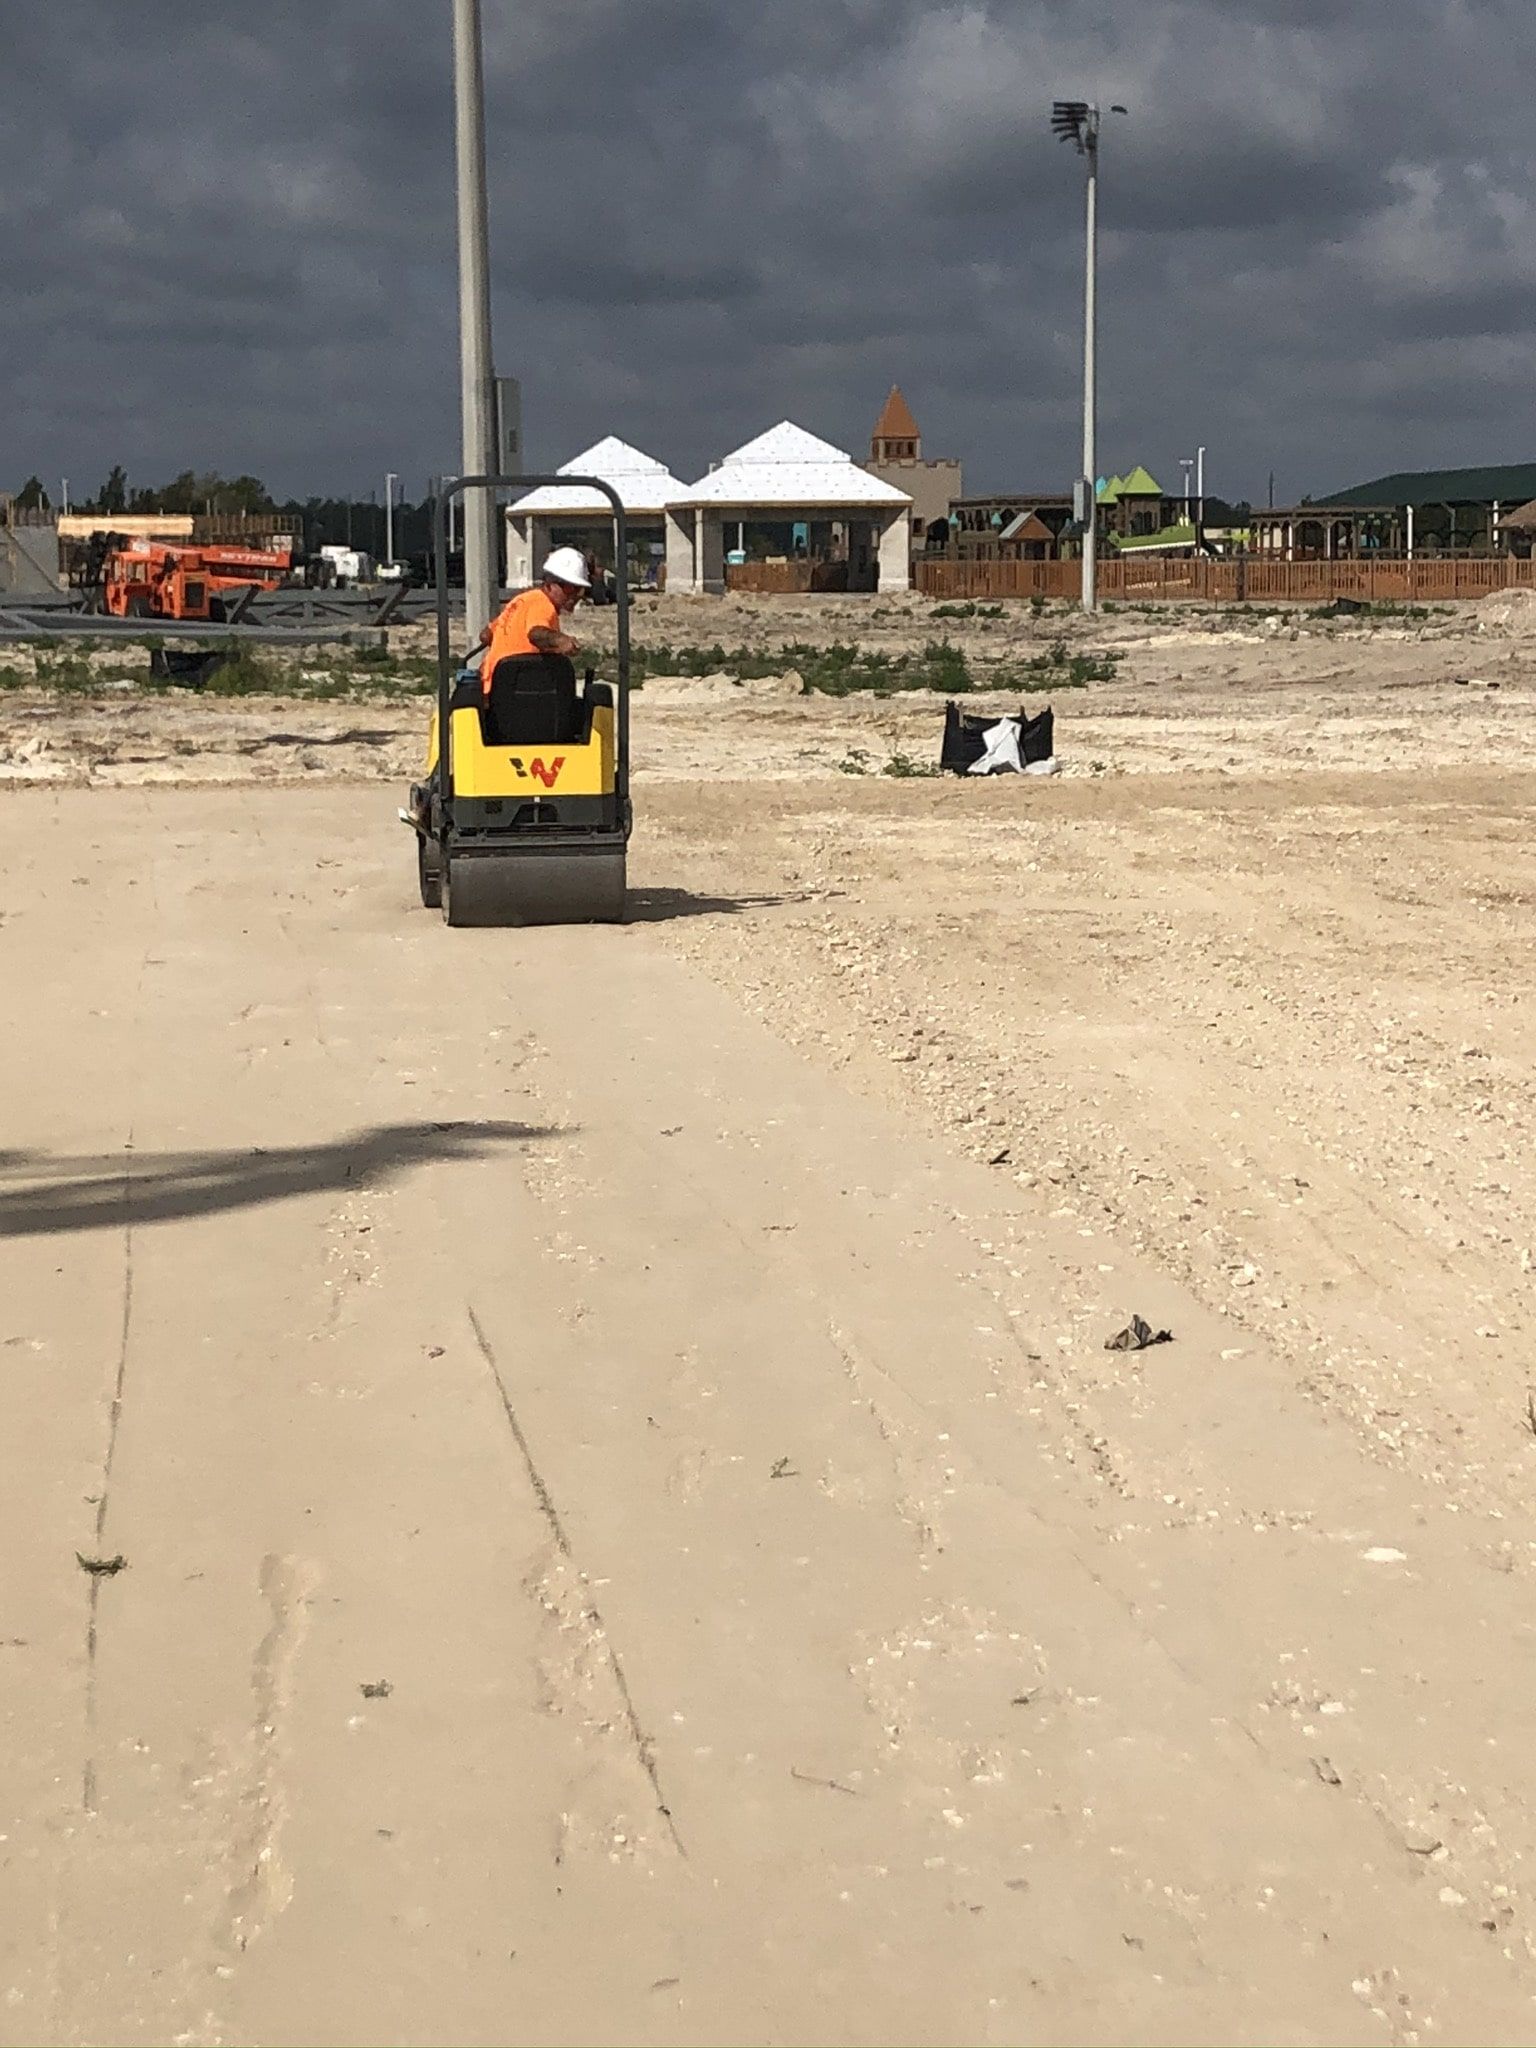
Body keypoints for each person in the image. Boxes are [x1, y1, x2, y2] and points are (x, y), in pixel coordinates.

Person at [476, 545, 589, 689]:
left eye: (580, 589)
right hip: (520, 688)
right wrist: (560, 640)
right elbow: (536, 634)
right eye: (569, 588)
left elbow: (485, 635)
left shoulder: (520, 600)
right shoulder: (543, 604)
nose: (575, 595)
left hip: (492, 687)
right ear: (549, 584)